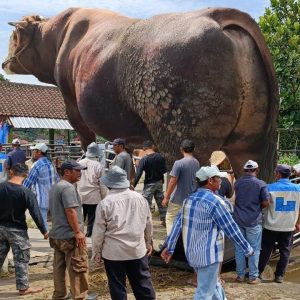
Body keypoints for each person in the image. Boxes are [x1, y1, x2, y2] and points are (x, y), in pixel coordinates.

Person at [161, 166, 253, 300]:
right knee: (204, 293)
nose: (221, 181)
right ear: (210, 180)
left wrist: (169, 247)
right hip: (209, 256)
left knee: (213, 285)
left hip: (193, 255)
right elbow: (231, 228)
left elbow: (176, 225)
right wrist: (247, 249)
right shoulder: (215, 202)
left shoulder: (188, 200)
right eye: (219, 179)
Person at [92, 166, 155, 300]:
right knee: (143, 284)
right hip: (136, 250)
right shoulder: (140, 198)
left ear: (109, 184)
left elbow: (98, 231)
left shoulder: (105, 203)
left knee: (117, 286)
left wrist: (96, 251)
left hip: (114, 253)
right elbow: (148, 223)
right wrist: (148, 242)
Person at [49, 160, 97, 300]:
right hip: (70, 235)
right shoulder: (67, 188)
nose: (80, 173)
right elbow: (70, 210)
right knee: (78, 265)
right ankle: (80, 295)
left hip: (57, 234)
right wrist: (78, 232)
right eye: (77, 171)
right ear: (67, 172)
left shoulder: (55, 186)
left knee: (59, 267)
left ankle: (59, 294)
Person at [0, 163, 48, 296]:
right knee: (21, 259)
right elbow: (35, 213)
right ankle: (23, 288)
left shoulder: (1, 187)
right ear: (26, 175)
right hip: (17, 231)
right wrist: (44, 230)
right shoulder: (25, 192)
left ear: (11, 172)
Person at [259, 164, 300, 283]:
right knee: (285, 251)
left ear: (278, 174)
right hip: (288, 226)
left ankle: (258, 272)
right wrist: (298, 223)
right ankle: (279, 276)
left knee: (266, 250)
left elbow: (263, 204)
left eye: (275, 173)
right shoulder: (298, 189)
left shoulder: (269, 187)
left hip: (271, 225)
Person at [233, 160, 269, 284]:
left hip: (238, 220)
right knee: (254, 249)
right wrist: (256, 207)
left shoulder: (237, 183)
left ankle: (240, 276)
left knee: (239, 248)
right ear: (257, 170)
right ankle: (253, 277)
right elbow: (265, 202)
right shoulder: (261, 184)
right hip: (254, 221)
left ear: (244, 170)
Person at [162, 139, 200, 235]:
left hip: (177, 199)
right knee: (185, 222)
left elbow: (172, 181)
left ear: (181, 149)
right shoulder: (196, 162)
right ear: (193, 149)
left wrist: (166, 197)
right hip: (191, 198)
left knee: (170, 218)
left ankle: (171, 244)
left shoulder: (178, 163)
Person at [23, 143, 59, 231]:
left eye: (34, 151)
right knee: (56, 221)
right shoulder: (50, 163)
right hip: (53, 196)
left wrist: (21, 194)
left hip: (41, 198)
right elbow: (57, 179)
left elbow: (28, 182)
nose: (33, 153)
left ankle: (46, 238)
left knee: (42, 221)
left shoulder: (37, 165)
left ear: (39, 152)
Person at [133, 140, 167, 226]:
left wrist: (133, 185)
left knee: (145, 203)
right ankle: (165, 220)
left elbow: (138, 174)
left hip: (149, 183)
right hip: (159, 182)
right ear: (152, 147)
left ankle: (144, 221)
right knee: (161, 202)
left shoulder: (144, 159)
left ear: (144, 149)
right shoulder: (161, 157)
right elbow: (164, 170)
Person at [77, 142, 107, 237]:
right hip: (94, 196)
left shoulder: (79, 163)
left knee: (80, 217)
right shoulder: (98, 166)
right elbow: (102, 184)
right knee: (92, 218)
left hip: (80, 194)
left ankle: (79, 233)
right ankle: (89, 234)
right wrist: (104, 196)